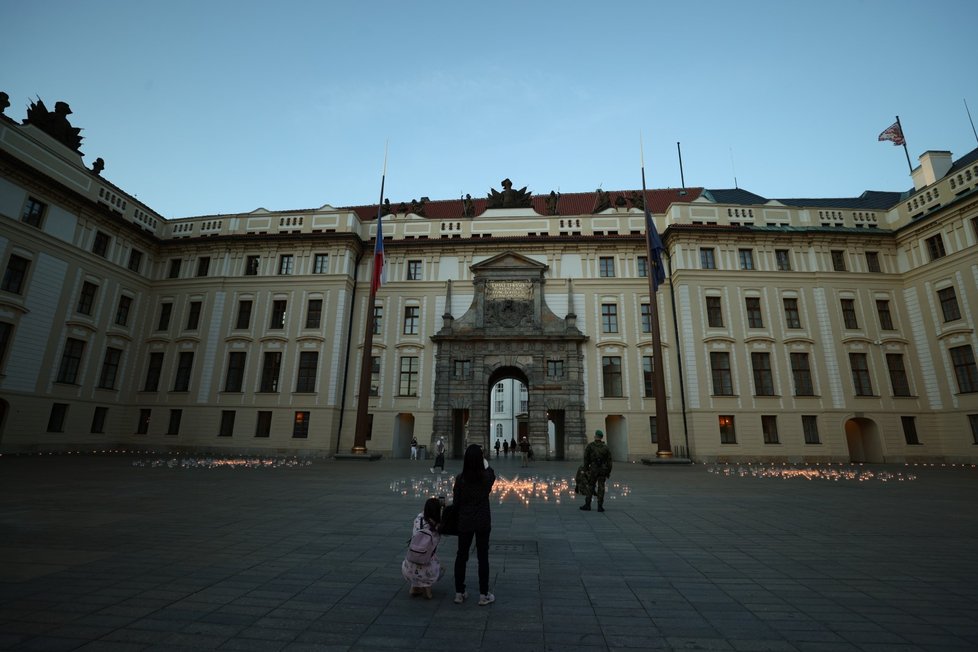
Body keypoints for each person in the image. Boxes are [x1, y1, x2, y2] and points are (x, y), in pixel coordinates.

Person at [452, 444, 496, 606]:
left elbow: (456, 503)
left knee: (461, 556)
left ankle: (459, 592)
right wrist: (484, 462)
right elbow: (491, 472)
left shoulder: (460, 479)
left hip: (465, 521)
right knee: (482, 557)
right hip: (483, 521)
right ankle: (483, 595)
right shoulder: (486, 478)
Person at [402, 497, 444, 599]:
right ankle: (427, 588)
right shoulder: (436, 527)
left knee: (418, 561)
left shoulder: (417, 520)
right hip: (427, 568)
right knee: (438, 566)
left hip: (408, 568)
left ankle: (415, 587)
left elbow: (423, 515)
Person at [580, 429, 613, 512]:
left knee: (591, 486)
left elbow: (586, 459)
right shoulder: (605, 448)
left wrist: (585, 469)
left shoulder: (590, 446)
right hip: (603, 469)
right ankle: (600, 506)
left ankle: (588, 505)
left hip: (593, 469)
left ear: (595, 436)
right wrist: (608, 471)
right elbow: (609, 461)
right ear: (601, 437)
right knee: (601, 487)